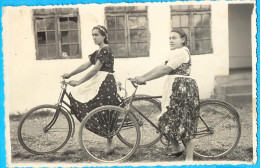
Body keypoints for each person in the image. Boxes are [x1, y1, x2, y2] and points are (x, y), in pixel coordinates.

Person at [134, 28, 200, 161]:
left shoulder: (182, 52)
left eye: (174, 38)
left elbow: (165, 70)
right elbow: (160, 67)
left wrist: (145, 79)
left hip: (183, 89)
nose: (171, 40)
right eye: (169, 38)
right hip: (174, 87)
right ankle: (177, 148)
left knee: (183, 122)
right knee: (165, 118)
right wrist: (142, 76)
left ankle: (189, 158)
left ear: (183, 40)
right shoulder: (173, 53)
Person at [62, 25, 121, 154]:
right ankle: (109, 142)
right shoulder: (98, 51)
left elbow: (95, 69)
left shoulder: (105, 50)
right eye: (93, 35)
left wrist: (78, 82)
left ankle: (110, 144)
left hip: (105, 83)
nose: (94, 37)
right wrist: (70, 74)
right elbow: (86, 65)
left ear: (104, 36)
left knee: (105, 112)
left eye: (97, 35)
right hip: (99, 81)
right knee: (94, 107)